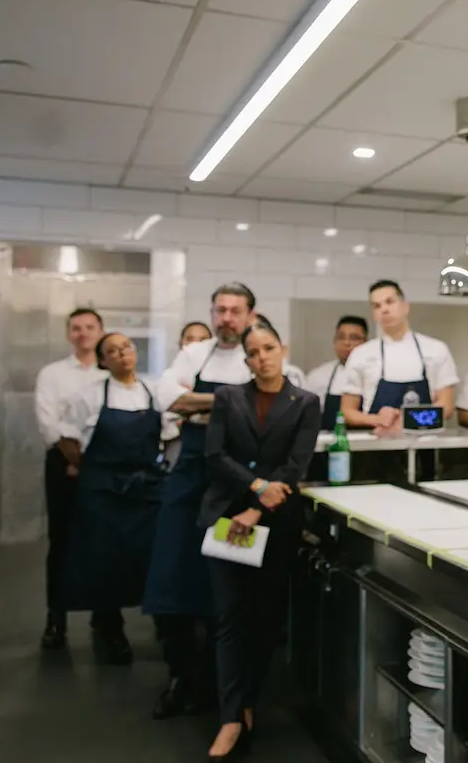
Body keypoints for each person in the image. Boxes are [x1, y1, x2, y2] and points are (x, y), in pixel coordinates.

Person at [146, 285, 305, 718]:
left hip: (235, 492)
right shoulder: (195, 355)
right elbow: (169, 398)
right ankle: (180, 677)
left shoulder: (261, 356)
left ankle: (224, 689)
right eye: (220, 310)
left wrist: (203, 408)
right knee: (176, 579)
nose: (226, 318)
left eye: (235, 311)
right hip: (188, 485)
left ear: (251, 314)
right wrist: (231, 401)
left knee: (229, 589)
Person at [201, 319, 320, 760]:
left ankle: (247, 700)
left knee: (266, 619)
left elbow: (296, 463)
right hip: (227, 518)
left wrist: (260, 507)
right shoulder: (228, 398)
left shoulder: (305, 402)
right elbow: (216, 456)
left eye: (268, 348)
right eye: (252, 352)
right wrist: (253, 491)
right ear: (245, 358)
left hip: (273, 521)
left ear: (282, 349)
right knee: (230, 616)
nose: (261, 358)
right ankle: (231, 718)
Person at [55, 332, 165, 665]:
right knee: (104, 558)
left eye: (126, 348)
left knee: (151, 555)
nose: (121, 354)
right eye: (112, 351)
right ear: (103, 360)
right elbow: (67, 439)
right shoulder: (88, 395)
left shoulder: (154, 392)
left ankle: (163, 619)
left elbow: (169, 436)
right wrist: (92, 471)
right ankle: (110, 627)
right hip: (103, 489)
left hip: (145, 488)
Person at [34, 307, 108, 651]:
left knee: (102, 540)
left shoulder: (112, 374)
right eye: (76, 328)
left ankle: (105, 617)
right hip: (63, 463)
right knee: (61, 542)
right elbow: (50, 424)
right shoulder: (52, 374)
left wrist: (94, 462)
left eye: (89, 327)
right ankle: (56, 620)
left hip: (106, 465)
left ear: (100, 331)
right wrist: (76, 460)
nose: (83, 333)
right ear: (68, 334)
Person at [339, 280, 458, 429]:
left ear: (405, 307)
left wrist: (408, 422)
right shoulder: (361, 354)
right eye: (377, 306)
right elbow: (347, 411)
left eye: (390, 302)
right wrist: (377, 420)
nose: (384, 309)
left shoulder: (436, 349)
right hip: (377, 444)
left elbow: (446, 407)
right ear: (374, 314)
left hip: (424, 443)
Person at [161, 322, 215, 470]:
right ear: (181, 343)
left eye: (203, 340)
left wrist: (189, 411)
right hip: (176, 448)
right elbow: (167, 410)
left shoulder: (218, 374)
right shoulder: (170, 376)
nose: (195, 345)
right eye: (190, 339)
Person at [305, 315, 369, 430]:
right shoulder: (318, 376)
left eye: (354, 338)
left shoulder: (373, 374)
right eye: (341, 337)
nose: (346, 343)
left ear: (366, 343)